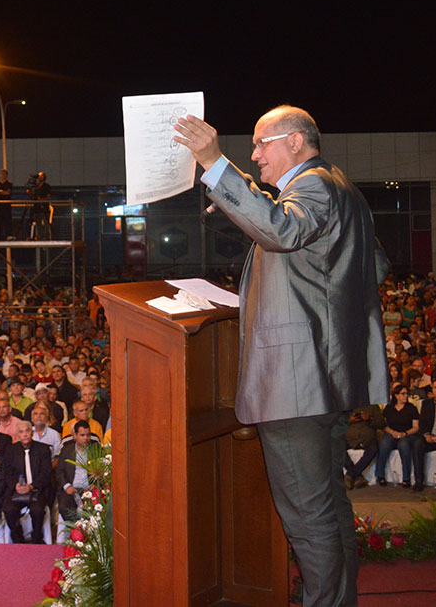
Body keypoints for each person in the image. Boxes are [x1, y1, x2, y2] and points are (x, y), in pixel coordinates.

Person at [173, 106, 388, 606]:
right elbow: (372, 265)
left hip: (297, 384)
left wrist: (214, 163)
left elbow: (281, 231)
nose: (253, 154)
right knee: (327, 507)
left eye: (260, 144)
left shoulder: (312, 187)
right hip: (325, 380)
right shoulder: (341, 188)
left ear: (294, 141)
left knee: (309, 518)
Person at [1, 420, 53, 543]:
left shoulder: (43, 449)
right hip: (16, 491)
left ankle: (36, 538)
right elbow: (7, 473)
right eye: (21, 432)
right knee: (9, 509)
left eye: (27, 431)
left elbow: (46, 474)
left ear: (32, 432)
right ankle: (18, 538)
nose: (24, 434)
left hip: (37, 490)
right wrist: (16, 485)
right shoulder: (10, 450)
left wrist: (31, 486)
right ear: (17, 435)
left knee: (38, 510)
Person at [375, 385, 419, 487]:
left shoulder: (411, 408)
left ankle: (406, 478)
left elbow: (416, 427)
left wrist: (405, 433)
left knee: (404, 445)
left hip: (407, 433)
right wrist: (392, 432)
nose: (405, 396)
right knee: (384, 444)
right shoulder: (389, 408)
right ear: (396, 396)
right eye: (403, 394)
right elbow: (383, 425)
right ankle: (380, 475)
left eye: (406, 394)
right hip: (391, 432)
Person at [55, 421, 96, 523]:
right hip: (71, 489)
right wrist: (67, 486)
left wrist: (95, 485)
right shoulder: (67, 450)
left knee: (95, 509)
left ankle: (88, 533)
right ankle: (77, 530)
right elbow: (59, 471)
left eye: (88, 435)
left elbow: (101, 472)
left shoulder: (95, 449)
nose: (86, 438)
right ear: (75, 435)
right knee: (64, 507)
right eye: (82, 435)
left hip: (89, 489)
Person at [342, 405, 383, 490]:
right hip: (350, 437)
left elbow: (381, 424)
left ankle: (350, 475)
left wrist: (369, 418)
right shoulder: (347, 405)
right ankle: (358, 477)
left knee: (373, 449)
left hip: (367, 438)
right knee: (338, 448)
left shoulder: (373, 406)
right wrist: (350, 420)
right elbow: (338, 422)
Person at [0, 169, 14, 240]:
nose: (3, 175)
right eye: (2, 174)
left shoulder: (9, 184)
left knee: (7, 220)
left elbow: (8, 192)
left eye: (4, 174)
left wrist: (0, 192)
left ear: (6, 175)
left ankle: (9, 235)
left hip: (6, 206)